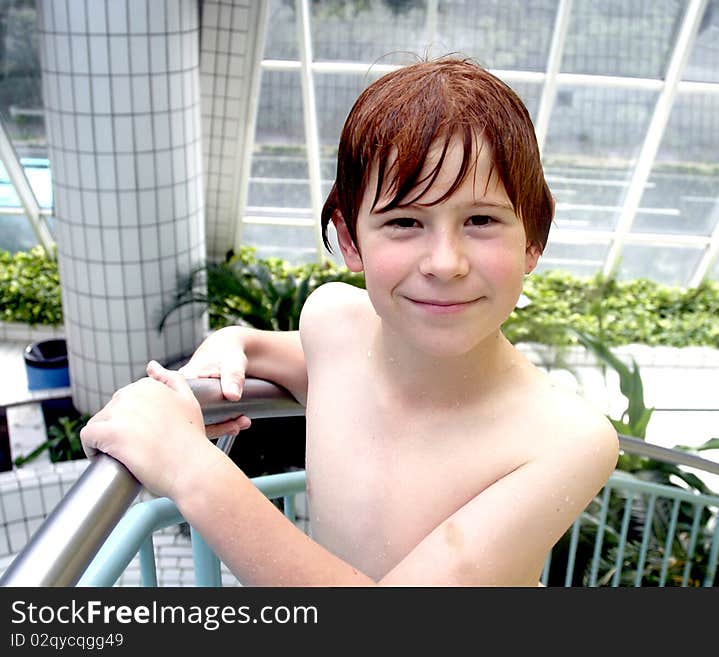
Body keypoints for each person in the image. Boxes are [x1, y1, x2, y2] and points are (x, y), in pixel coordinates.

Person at [81, 57, 619, 586]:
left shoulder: (565, 439)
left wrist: (188, 467)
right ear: (349, 240)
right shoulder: (334, 323)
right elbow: (278, 353)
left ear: (533, 240)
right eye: (405, 221)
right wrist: (231, 341)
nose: (445, 263)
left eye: (480, 220)